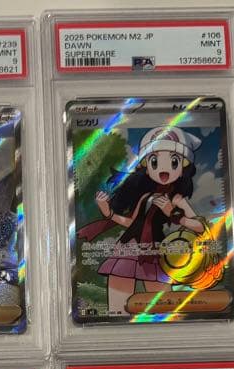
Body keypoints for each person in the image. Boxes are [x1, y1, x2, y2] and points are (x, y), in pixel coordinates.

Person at [78, 126, 206, 316]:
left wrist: (173, 213)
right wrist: (109, 213)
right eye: (155, 161)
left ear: (183, 168)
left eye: (174, 161)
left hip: (156, 252)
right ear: (146, 165)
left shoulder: (177, 199)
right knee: (118, 312)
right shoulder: (145, 196)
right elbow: (133, 223)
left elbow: (200, 227)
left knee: (165, 313)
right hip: (128, 249)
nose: (164, 169)